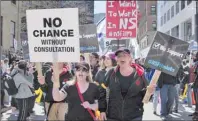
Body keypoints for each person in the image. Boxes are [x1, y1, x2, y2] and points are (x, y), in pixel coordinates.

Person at [99, 48, 155, 121]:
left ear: (130, 58)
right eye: (119, 56)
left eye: (124, 55)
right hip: (113, 116)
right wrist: (102, 110)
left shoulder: (140, 74)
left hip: (134, 116)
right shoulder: (111, 72)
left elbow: (145, 98)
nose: (121, 58)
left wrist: (150, 93)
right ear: (117, 59)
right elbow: (101, 90)